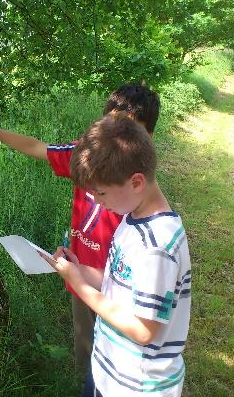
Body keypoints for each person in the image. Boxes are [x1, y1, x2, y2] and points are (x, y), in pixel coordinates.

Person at [0, 84, 161, 377]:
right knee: (86, 351)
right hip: (81, 274)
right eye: (113, 128)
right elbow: (37, 147)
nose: (117, 142)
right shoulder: (86, 154)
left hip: (123, 287)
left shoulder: (140, 185)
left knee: (121, 360)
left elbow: (144, 325)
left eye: (129, 132)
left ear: (147, 138)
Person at [44, 114, 191, 397]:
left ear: (136, 182)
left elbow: (143, 330)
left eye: (100, 193)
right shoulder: (132, 216)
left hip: (136, 386)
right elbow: (118, 281)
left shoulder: (156, 247)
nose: (97, 202)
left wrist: (81, 286)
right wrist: (80, 270)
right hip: (108, 369)